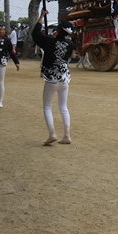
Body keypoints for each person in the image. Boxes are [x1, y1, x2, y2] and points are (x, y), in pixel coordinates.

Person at [33, 10, 75, 145]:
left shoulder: (49, 41)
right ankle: (67, 135)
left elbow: (36, 34)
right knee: (63, 107)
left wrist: (41, 17)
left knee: (47, 106)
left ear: (59, 30)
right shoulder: (70, 44)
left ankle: (52, 134)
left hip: (51, 78)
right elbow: (71, 56)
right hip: (64, 79)